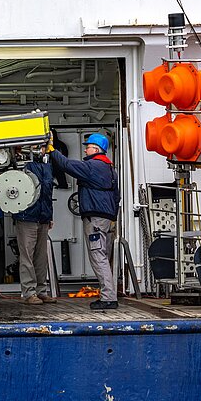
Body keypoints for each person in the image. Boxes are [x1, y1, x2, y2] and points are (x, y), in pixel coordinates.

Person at [48, 133, 121, 310]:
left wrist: (52, 149)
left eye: (88, 146)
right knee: (104, 257)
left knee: (98, 257)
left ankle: (108, 298)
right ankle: (108, 294)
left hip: (95, 219)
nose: (85, 149)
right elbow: (117, 196)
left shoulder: (93, 166)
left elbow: (66, 165)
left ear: (96, 149)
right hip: (108, 219)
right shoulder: (110, 169)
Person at [12, 145, 55, 305]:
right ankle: (29, 292)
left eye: (42, 147)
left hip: (42, 217)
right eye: (38, 146)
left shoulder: (47, 166)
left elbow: (48, 194)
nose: (41, 149)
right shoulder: (23, 164)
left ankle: (41, 291)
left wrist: (50, 216)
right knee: (27, 257)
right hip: (26, 216)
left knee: (40, 257)